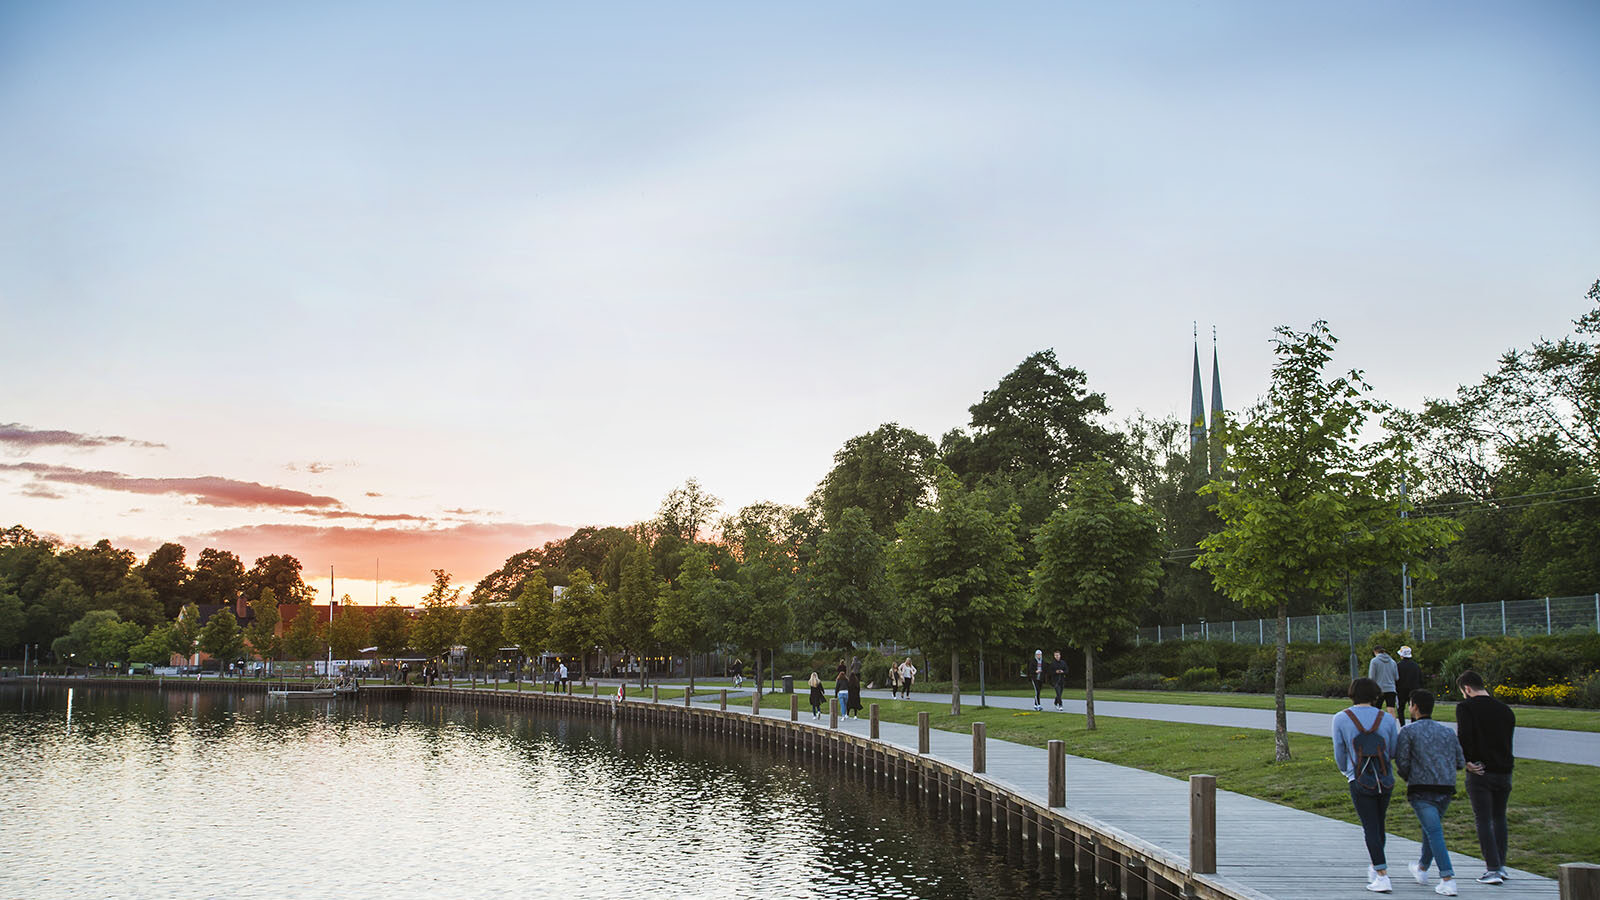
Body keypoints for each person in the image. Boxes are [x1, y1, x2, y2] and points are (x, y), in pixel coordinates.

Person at [1394, 689, 1464, 896]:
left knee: (1434, 832)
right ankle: (1422, 868)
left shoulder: (1408, 732)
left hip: (1421, 789)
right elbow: (1460, 761)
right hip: (1446, 788)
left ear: (1414, 707)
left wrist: (1408, 775)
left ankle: (1447, 878)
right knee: (1431, 829)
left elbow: (1402, 762)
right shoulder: (1448, 732)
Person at [1333, 676, 1399, 893]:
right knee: (1379, 824)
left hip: (1359, 778)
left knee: (1369, 826)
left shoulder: (1341, 718)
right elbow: (1393, 750)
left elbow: (1340, 751)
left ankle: (1382, 874)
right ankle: (1375, 864)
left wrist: (1346, 771)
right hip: (1384, 778)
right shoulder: (1387, 719)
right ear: (1375, 695)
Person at [1456, 670, 1515, 885]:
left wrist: (1467, 761)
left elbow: (1464, 736)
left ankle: (1492, 869)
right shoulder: (1505, 710)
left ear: (1467, 689)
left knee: (1483, 819)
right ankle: (1501, 864)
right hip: (1504, 770)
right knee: (1499, 817)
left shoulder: (1466, 707)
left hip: (1480, 770)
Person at [1395, 647, 1422, 726]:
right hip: (1414, 690)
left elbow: (1396, 678)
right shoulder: (1416, 666)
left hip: (1401, 690)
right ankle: (1413, 724)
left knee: (1400, 708)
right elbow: (1420, 678)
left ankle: (1402, 725)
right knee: (1413, 707)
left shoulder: (1398, 665)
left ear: (1401, 655)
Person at [1368, 646, 1399, 714]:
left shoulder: (1374, 661)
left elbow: (1372, 677)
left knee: (1376, 709)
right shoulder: (1393, 661)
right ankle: (1392, 720)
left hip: (1378, 689)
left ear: (1375, 652)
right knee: (1391, 708)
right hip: (1391, 688)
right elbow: (1396, 677)